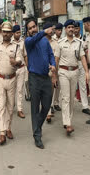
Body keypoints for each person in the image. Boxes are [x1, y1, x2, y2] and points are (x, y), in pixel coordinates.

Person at [24, 18, 57, 149]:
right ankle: (37, 135)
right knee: (35, 107)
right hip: (34, 78)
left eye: (34, 27)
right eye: (30, 28)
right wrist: (44, 32)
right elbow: (34, 39)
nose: (33, 29)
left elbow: (51, 54)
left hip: (45, 78)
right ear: (28, 31)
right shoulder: (28, 41)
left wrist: (53, 65)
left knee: (47, 104)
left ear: (36, 27)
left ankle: (37, 126)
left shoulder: (44, 41)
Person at [0, 21, 22, 145]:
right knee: (1, 105)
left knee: (10, 105)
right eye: (5, 32)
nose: (6, 34)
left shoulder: (16, 47)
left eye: (9, 32)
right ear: (1, 32)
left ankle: (8, 128)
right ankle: (2, 132)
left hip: (12, 79)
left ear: (12, 33)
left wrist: (16, 62)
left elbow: (19, 60)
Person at [55, 20, 89, 135]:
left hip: (74, 72)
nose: (70, 29)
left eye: (72, 27)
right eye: (68, 27)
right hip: (63, 72)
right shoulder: (60, 43)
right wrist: (54, 75)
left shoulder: (79, 43)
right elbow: (56, 60)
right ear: (65, 29)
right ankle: (68, 123)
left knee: (71, 98)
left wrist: (87, 72)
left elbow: (83, 58)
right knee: (65, 97)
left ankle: (68, 120)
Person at [73, 21, 90, 115]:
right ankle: (69, 106)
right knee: (71, 86)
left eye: (76, 28)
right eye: (73, 28)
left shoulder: (84, 38)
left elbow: (87, 52)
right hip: (72, 63)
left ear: (79, 29)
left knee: (83, 86)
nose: (75, 30)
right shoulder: (70, 39)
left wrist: (87, 67)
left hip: (82, 63)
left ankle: (85, 106)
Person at [43, 23, 58, 123]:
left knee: (50, 92)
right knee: (44, 93)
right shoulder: (40, 42)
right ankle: (46, 111)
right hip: (42, 72)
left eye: (53, 29)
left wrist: (54, 75)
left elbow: (56, 60)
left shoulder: (55, 43)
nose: (52, 31)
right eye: (50, 29)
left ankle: (49, 109)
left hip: (51, 71)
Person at [12, 25, 28, 119]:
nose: (18, 34)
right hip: (12, 69)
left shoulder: (23, 42)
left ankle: (20, 109)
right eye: (16, 33)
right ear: (13, 33)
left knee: (20, 89)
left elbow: (25, 55)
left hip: (21, 68)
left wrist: (27, 67)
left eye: (19, 32)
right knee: (12, 89)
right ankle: (11, 106)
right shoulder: (10, 42)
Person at [51, 23, 63, 112]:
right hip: (53, 66)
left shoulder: (63, 40)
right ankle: (50, 104)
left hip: (61, 66)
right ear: (55, 31)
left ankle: (56, 103)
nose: (60, 32)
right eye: (58, 30)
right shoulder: (52, 40)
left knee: (58, 86)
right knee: (52, 85)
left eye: (61, 30)